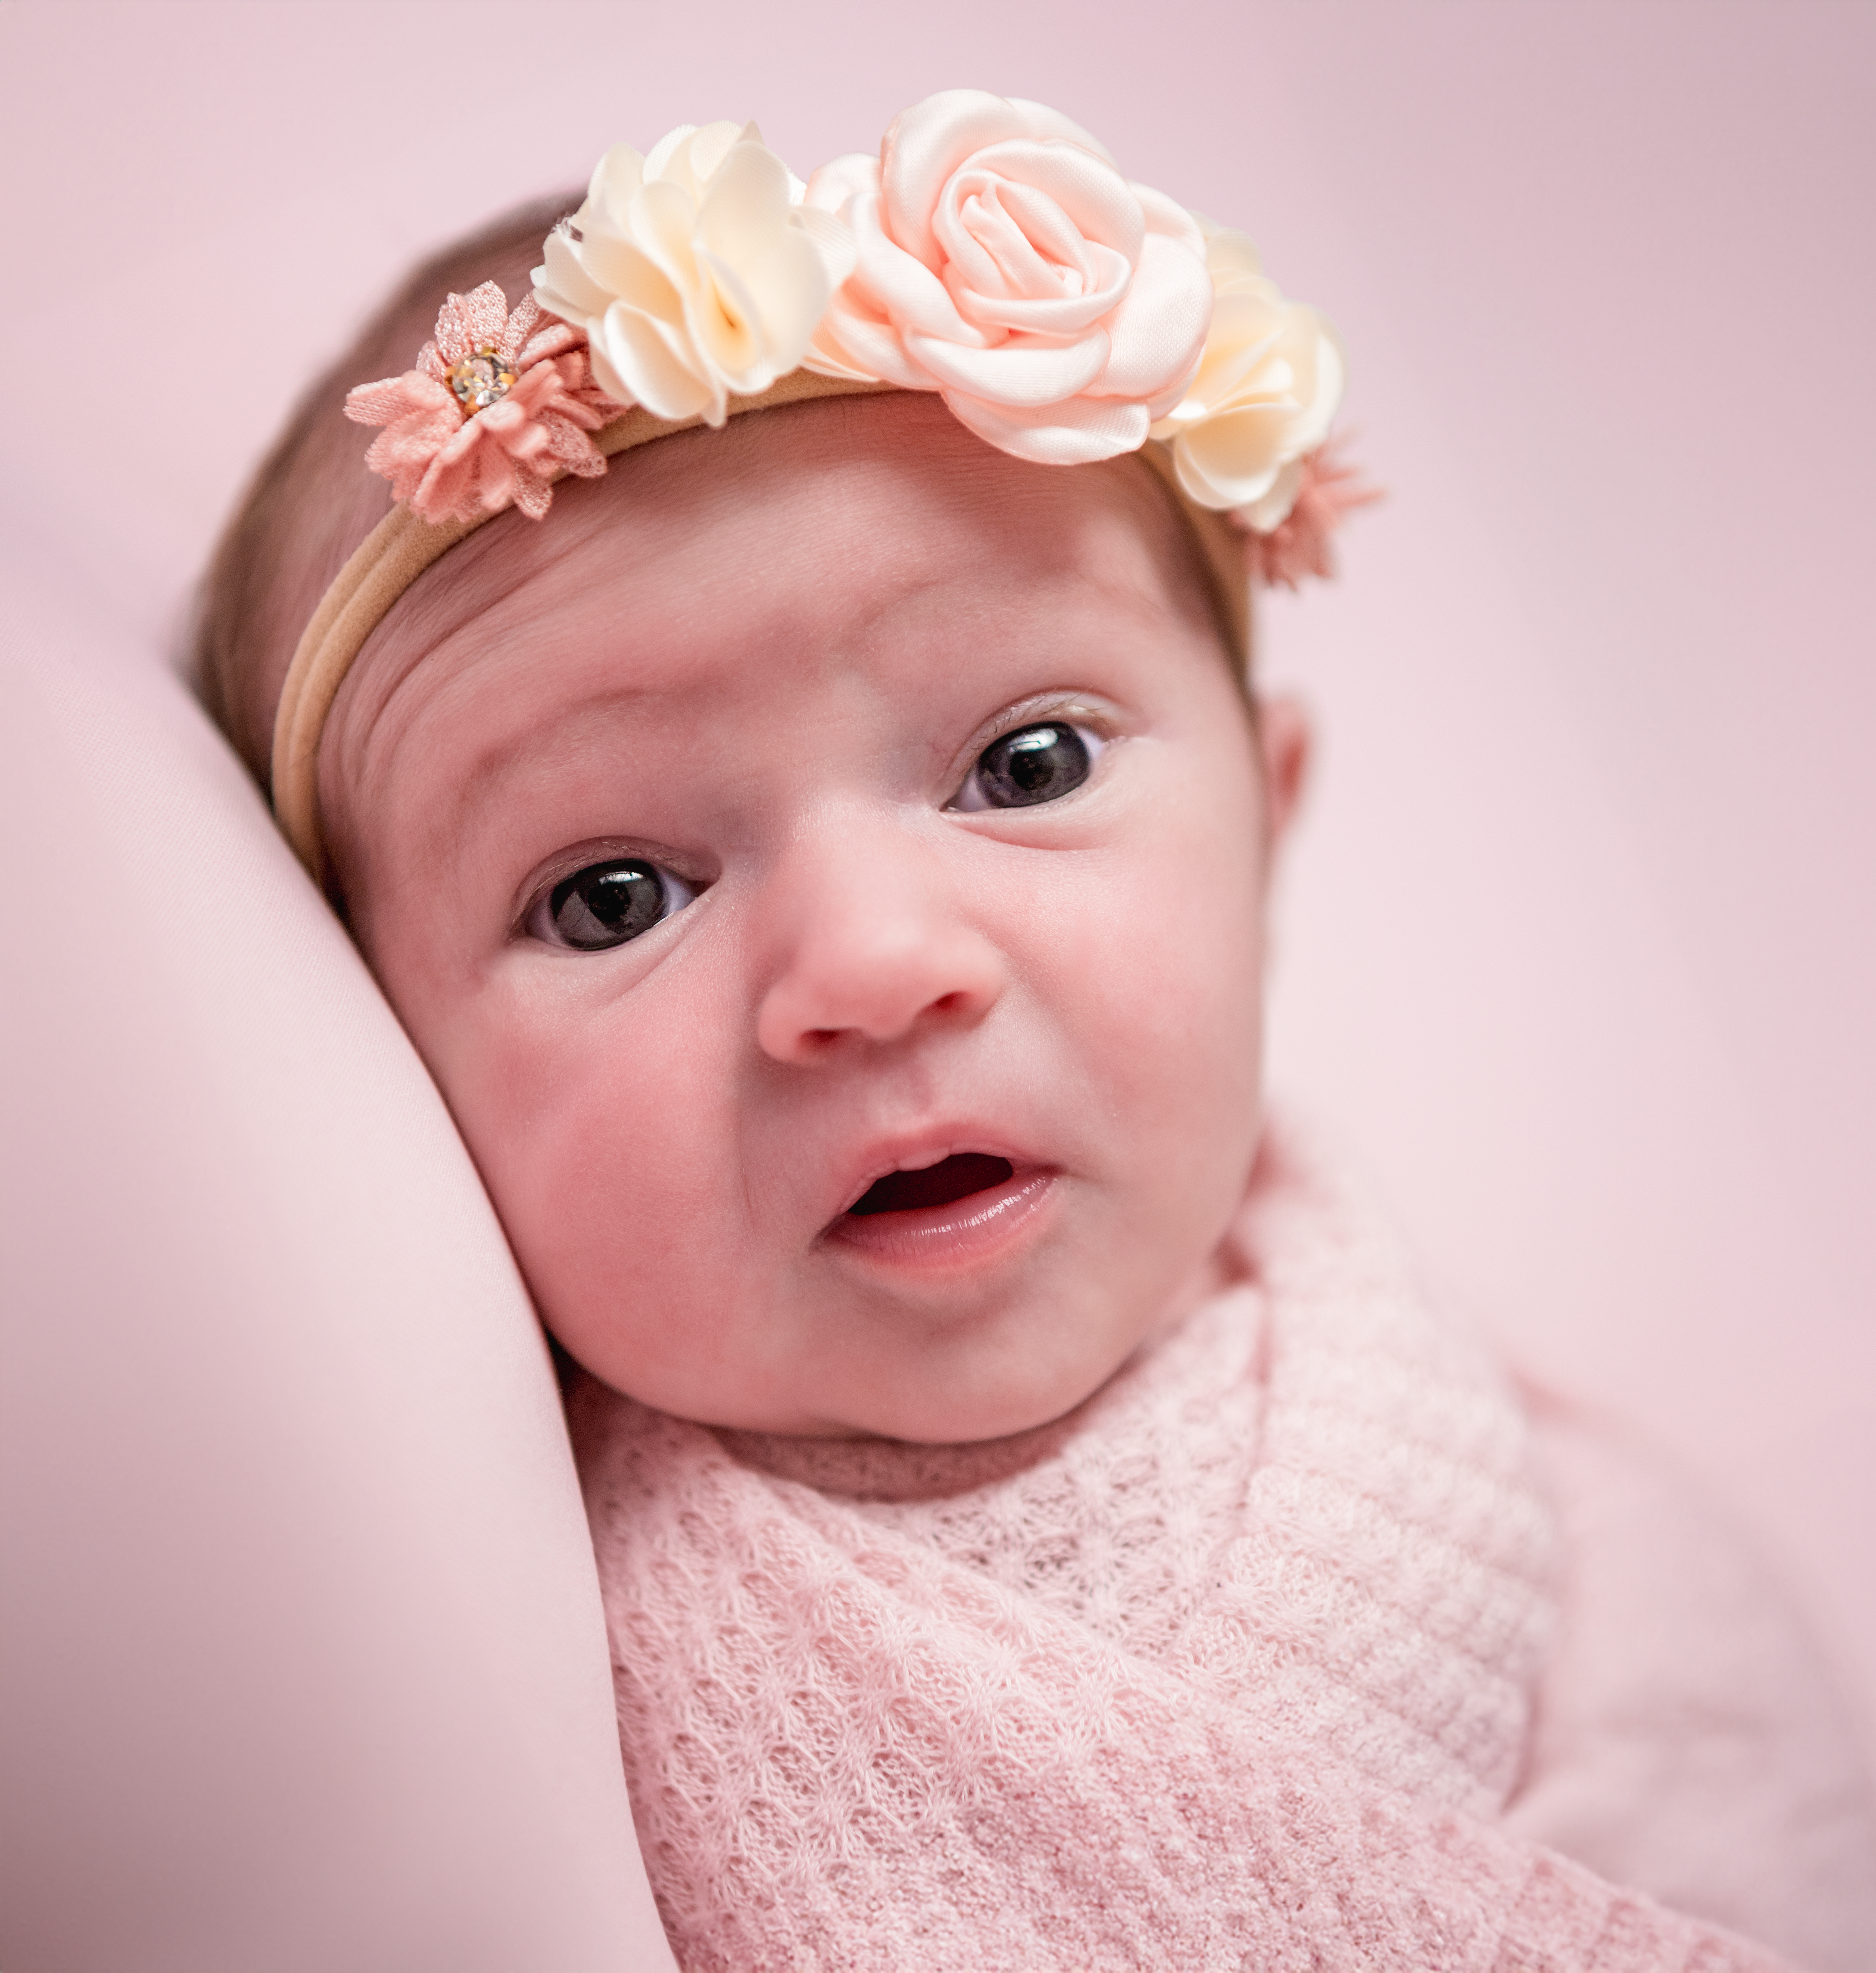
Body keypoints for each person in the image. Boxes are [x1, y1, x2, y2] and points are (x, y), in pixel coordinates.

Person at [194, 90, 1876, 1973]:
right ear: (384, 1068)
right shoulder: (468, 1670)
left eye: (1027, 764)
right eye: (613, 895)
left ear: (1272, 819)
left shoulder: (1588, 1551)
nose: (873, 965)